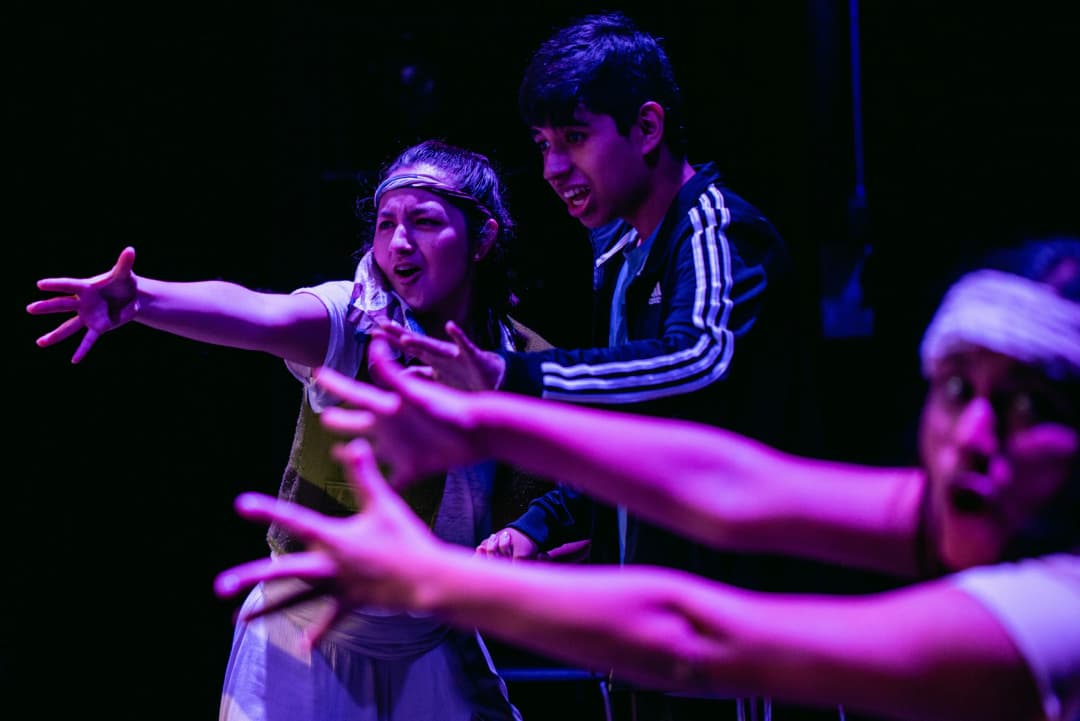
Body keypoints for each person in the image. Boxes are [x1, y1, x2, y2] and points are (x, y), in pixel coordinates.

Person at [212, 236, 1080, 721]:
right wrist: (478, 419)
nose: (973, 437)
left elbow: (693, 637)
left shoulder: (1054, 608)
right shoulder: (984, 509)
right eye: (958, 390)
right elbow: (736, 485)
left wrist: (437, 576)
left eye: (1029, 407)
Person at [27, 140, 555, 721]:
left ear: (483, 238)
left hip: (431, 643)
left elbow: (564, 492)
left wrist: (529, 535)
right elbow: (257, 313)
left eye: (424, 221)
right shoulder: (354, 322)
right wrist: (145, 299)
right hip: (301, 641)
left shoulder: (521, 359)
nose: (399, 242)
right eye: (386, 224)